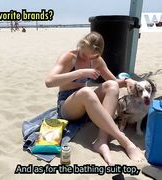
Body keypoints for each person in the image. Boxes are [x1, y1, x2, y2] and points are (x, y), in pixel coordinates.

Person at [45, 32, 145, 165]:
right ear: (81, 45)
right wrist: (81, 72)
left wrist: (128, 80)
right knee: (86, 91)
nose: (86, 58)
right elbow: (49, 81)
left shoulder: (96, 60)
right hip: (67, 106)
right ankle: (125, 141)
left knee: (112, 85)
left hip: (86, 103)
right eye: (84, 54)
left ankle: (101, 140)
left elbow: (114, 81)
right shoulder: (69, 57)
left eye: (91, 56)